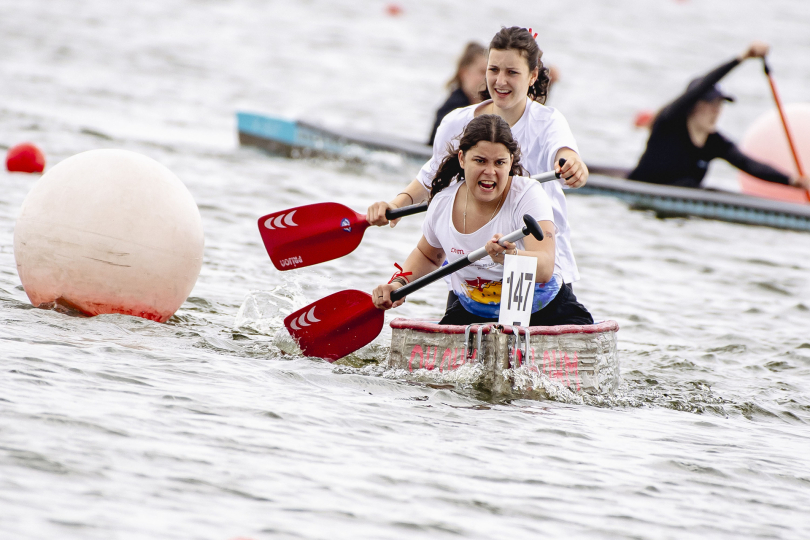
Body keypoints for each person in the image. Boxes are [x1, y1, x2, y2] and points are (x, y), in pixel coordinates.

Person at [369, 26, 588, 304]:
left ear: (532, 76)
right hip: (475, 272)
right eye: (493, 69)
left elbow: (566, 155)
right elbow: (431, 176)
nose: (500, 81)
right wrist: (395, 206)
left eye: (512, 72)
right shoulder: (456, 122)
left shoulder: (548, 122)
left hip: (539, 271)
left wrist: (573, 167)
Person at [373, 114, 593, 326]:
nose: (490, 172)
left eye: (499, 163)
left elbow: (545, 267)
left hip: (545, 310)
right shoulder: (442, 202)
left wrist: (511, 256)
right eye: (480, 160)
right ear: (462, 158)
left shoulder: (528, 194)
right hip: (473, 311)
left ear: (511, 162)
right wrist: (399, 283)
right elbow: (428, 256)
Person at [629, 41, 810, 190]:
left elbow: (748, 164)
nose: (716, 112)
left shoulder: (714, 142)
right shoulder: (669, 122)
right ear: (692, 107)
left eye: (719, 105)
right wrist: (741, 58)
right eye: (710, 105)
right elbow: (703, 84)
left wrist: (792, 180)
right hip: (641, 196)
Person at [428, 42, 488, 146]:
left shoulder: (489, 106)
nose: (487, 78)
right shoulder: (454, 107)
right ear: (464, 73)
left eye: (491, 72)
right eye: (482, 72)